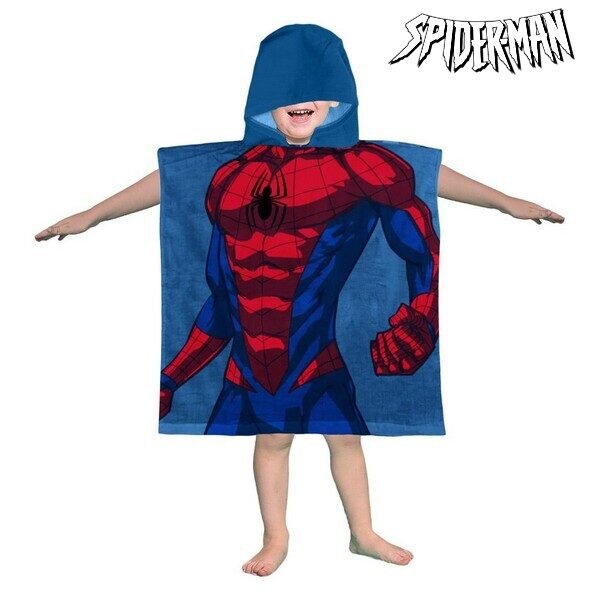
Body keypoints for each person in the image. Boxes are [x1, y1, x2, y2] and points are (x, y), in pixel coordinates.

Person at [34, 24, 565, 578]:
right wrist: (93, 217)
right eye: (285, 89)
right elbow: (215, 282)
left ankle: (362, 534)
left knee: (347, 439)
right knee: (272, 441)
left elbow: (426, 183)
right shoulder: (228, 176)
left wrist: (500, 208)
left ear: (339, 100)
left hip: (316, 363)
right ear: (263, 101)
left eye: (314, 88)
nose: (300, 100)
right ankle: (276, 537)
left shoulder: (364, 165)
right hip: (246, 371)